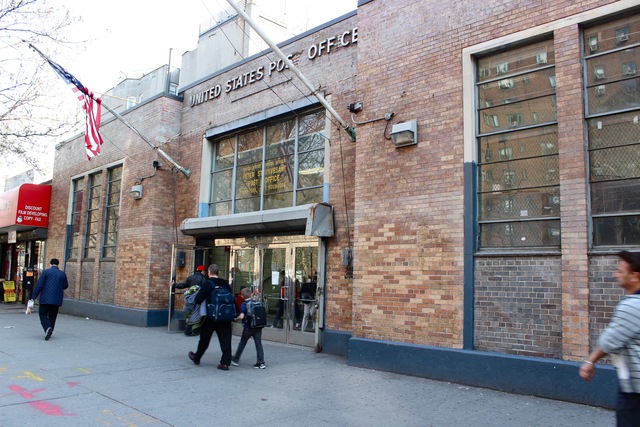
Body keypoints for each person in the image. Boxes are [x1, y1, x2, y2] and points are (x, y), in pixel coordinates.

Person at [579, 250, 640, 426]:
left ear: (635, 276)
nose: (616, 274)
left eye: (621, 271)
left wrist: (590, 361)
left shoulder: (632, 306)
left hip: (635, 390)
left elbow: (609, 341)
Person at [188, 264, 234, 370]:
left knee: (204, 338)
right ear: (218, 273)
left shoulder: (208, 284)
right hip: (225, 316)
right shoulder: (226, 284)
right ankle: (225, 363)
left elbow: (198, 299)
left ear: (209, 272)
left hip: (211, 316)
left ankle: (197, 357)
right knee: (226, 339)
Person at [31, 258, 69, 341]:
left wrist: (33, 297)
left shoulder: (46, 272)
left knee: (42, 314)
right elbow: (65, 286)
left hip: (45, 298)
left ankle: (47, 328)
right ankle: (50, 330)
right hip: (56, 299)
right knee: (53, 315)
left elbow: (39, 285)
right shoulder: (62, 274)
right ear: (58, 264)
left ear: (51, 264)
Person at [231, 288, 266, 369]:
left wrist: (235, 318)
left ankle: (236, 359)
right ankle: (261, 362)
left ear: (242, 296)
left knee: (242, 343)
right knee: (258, 344)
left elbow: (242, 316)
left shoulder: (244, 304)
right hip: (257, 327)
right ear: (250, 294)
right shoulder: (257, 303)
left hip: (248, 327)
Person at [172, 265, 208, 336]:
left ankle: (191, 329)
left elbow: (183, 285)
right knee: (197, 315)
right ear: (202, 271)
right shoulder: (203, 279)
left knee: (190, 315)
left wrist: (174, 285)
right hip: (198, 300)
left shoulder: (190, 277)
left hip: (190, 299)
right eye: (204, 271)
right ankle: (192, 330)